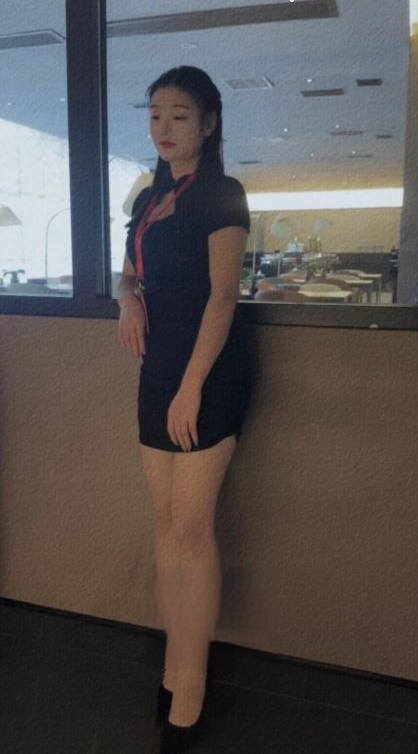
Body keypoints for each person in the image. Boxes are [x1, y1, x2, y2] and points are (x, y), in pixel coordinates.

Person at [117, 66, 252, 752]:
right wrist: (126, 299)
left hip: (209, 372)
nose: (164, 128)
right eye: (154, 115)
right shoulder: (148, 196)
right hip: (157, 369)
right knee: (166, 526)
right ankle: (177, 664)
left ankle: (191, 691)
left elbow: (223, 298)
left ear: (208, 123)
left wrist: (192, 387)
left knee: (193, 532)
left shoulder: (223, 193)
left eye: (179, 115)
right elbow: (130, 269)